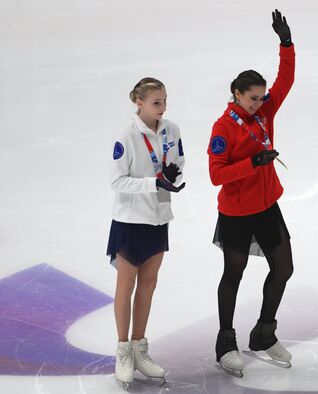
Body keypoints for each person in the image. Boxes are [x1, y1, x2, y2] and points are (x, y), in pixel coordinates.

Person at [207, 10, 295, 378]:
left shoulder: (263, 113)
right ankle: (226, 342)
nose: (259, 103)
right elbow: (216, 175)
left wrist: (286, 44)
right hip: (236, 213)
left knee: (284, 267)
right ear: (236, 95)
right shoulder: (223, 128)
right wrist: (254, 163)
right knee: (234, 274)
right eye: (252, 98)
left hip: (266, 206)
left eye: (261, 97)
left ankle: (263, 333)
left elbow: (285, 81)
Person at [107, 77, 185, 388]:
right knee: (126, 285)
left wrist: (172, 175)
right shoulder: (127, 135)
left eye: (165, 100)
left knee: (149, 284)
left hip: (158, 217)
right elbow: (117, 181)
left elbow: (178, 160)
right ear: (139, 103)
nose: (163, 107)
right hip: (130, 220)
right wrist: (153, 182)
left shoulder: (172, 129)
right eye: (156, 102)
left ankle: (140, 347)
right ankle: (123, 350)